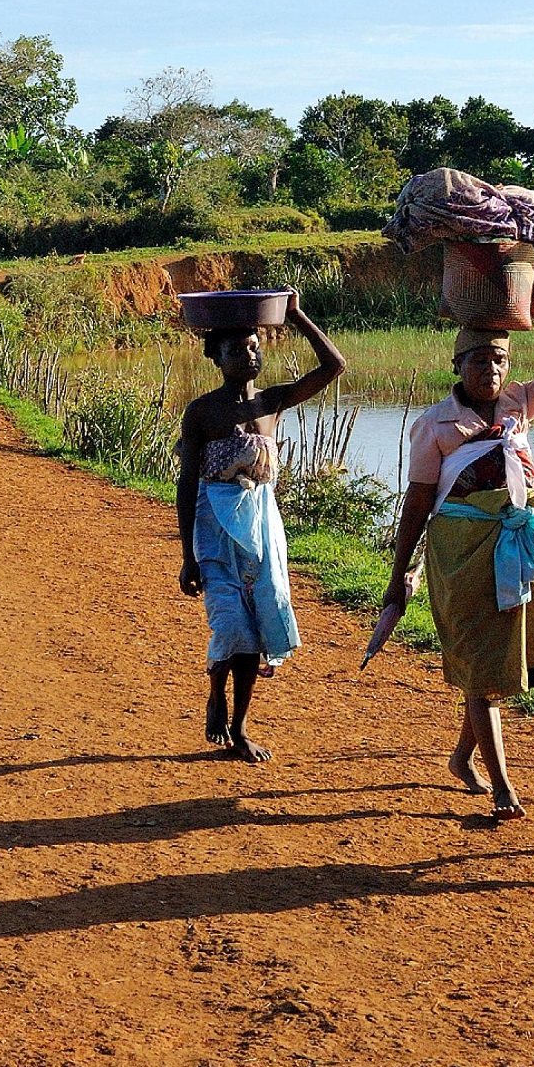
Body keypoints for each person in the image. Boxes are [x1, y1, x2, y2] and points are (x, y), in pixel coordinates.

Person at [375, 282, 534, 819]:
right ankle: (502, 786)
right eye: (479, 360)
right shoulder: (435, 425)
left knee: (501, 662)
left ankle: (461, 756)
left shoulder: (518, 402)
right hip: (461, 553)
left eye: (499, 359)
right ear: (458, 365)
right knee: (478, 664)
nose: (491, 370)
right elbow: (419, 500)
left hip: (514, 548)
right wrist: (399, 573)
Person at [177, 288, 346, 762]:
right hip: (214, 526)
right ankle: (216, 692)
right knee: (231, 625)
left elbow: (335, 367)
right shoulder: (203, 412)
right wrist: (188, 554)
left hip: (262, 528)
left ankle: (239, 725)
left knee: (257, 625)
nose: (248, 355)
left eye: (254, 346)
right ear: (216, 357)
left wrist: (298, 314)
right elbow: (188, 482)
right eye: (236, 349)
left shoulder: (272, 403)